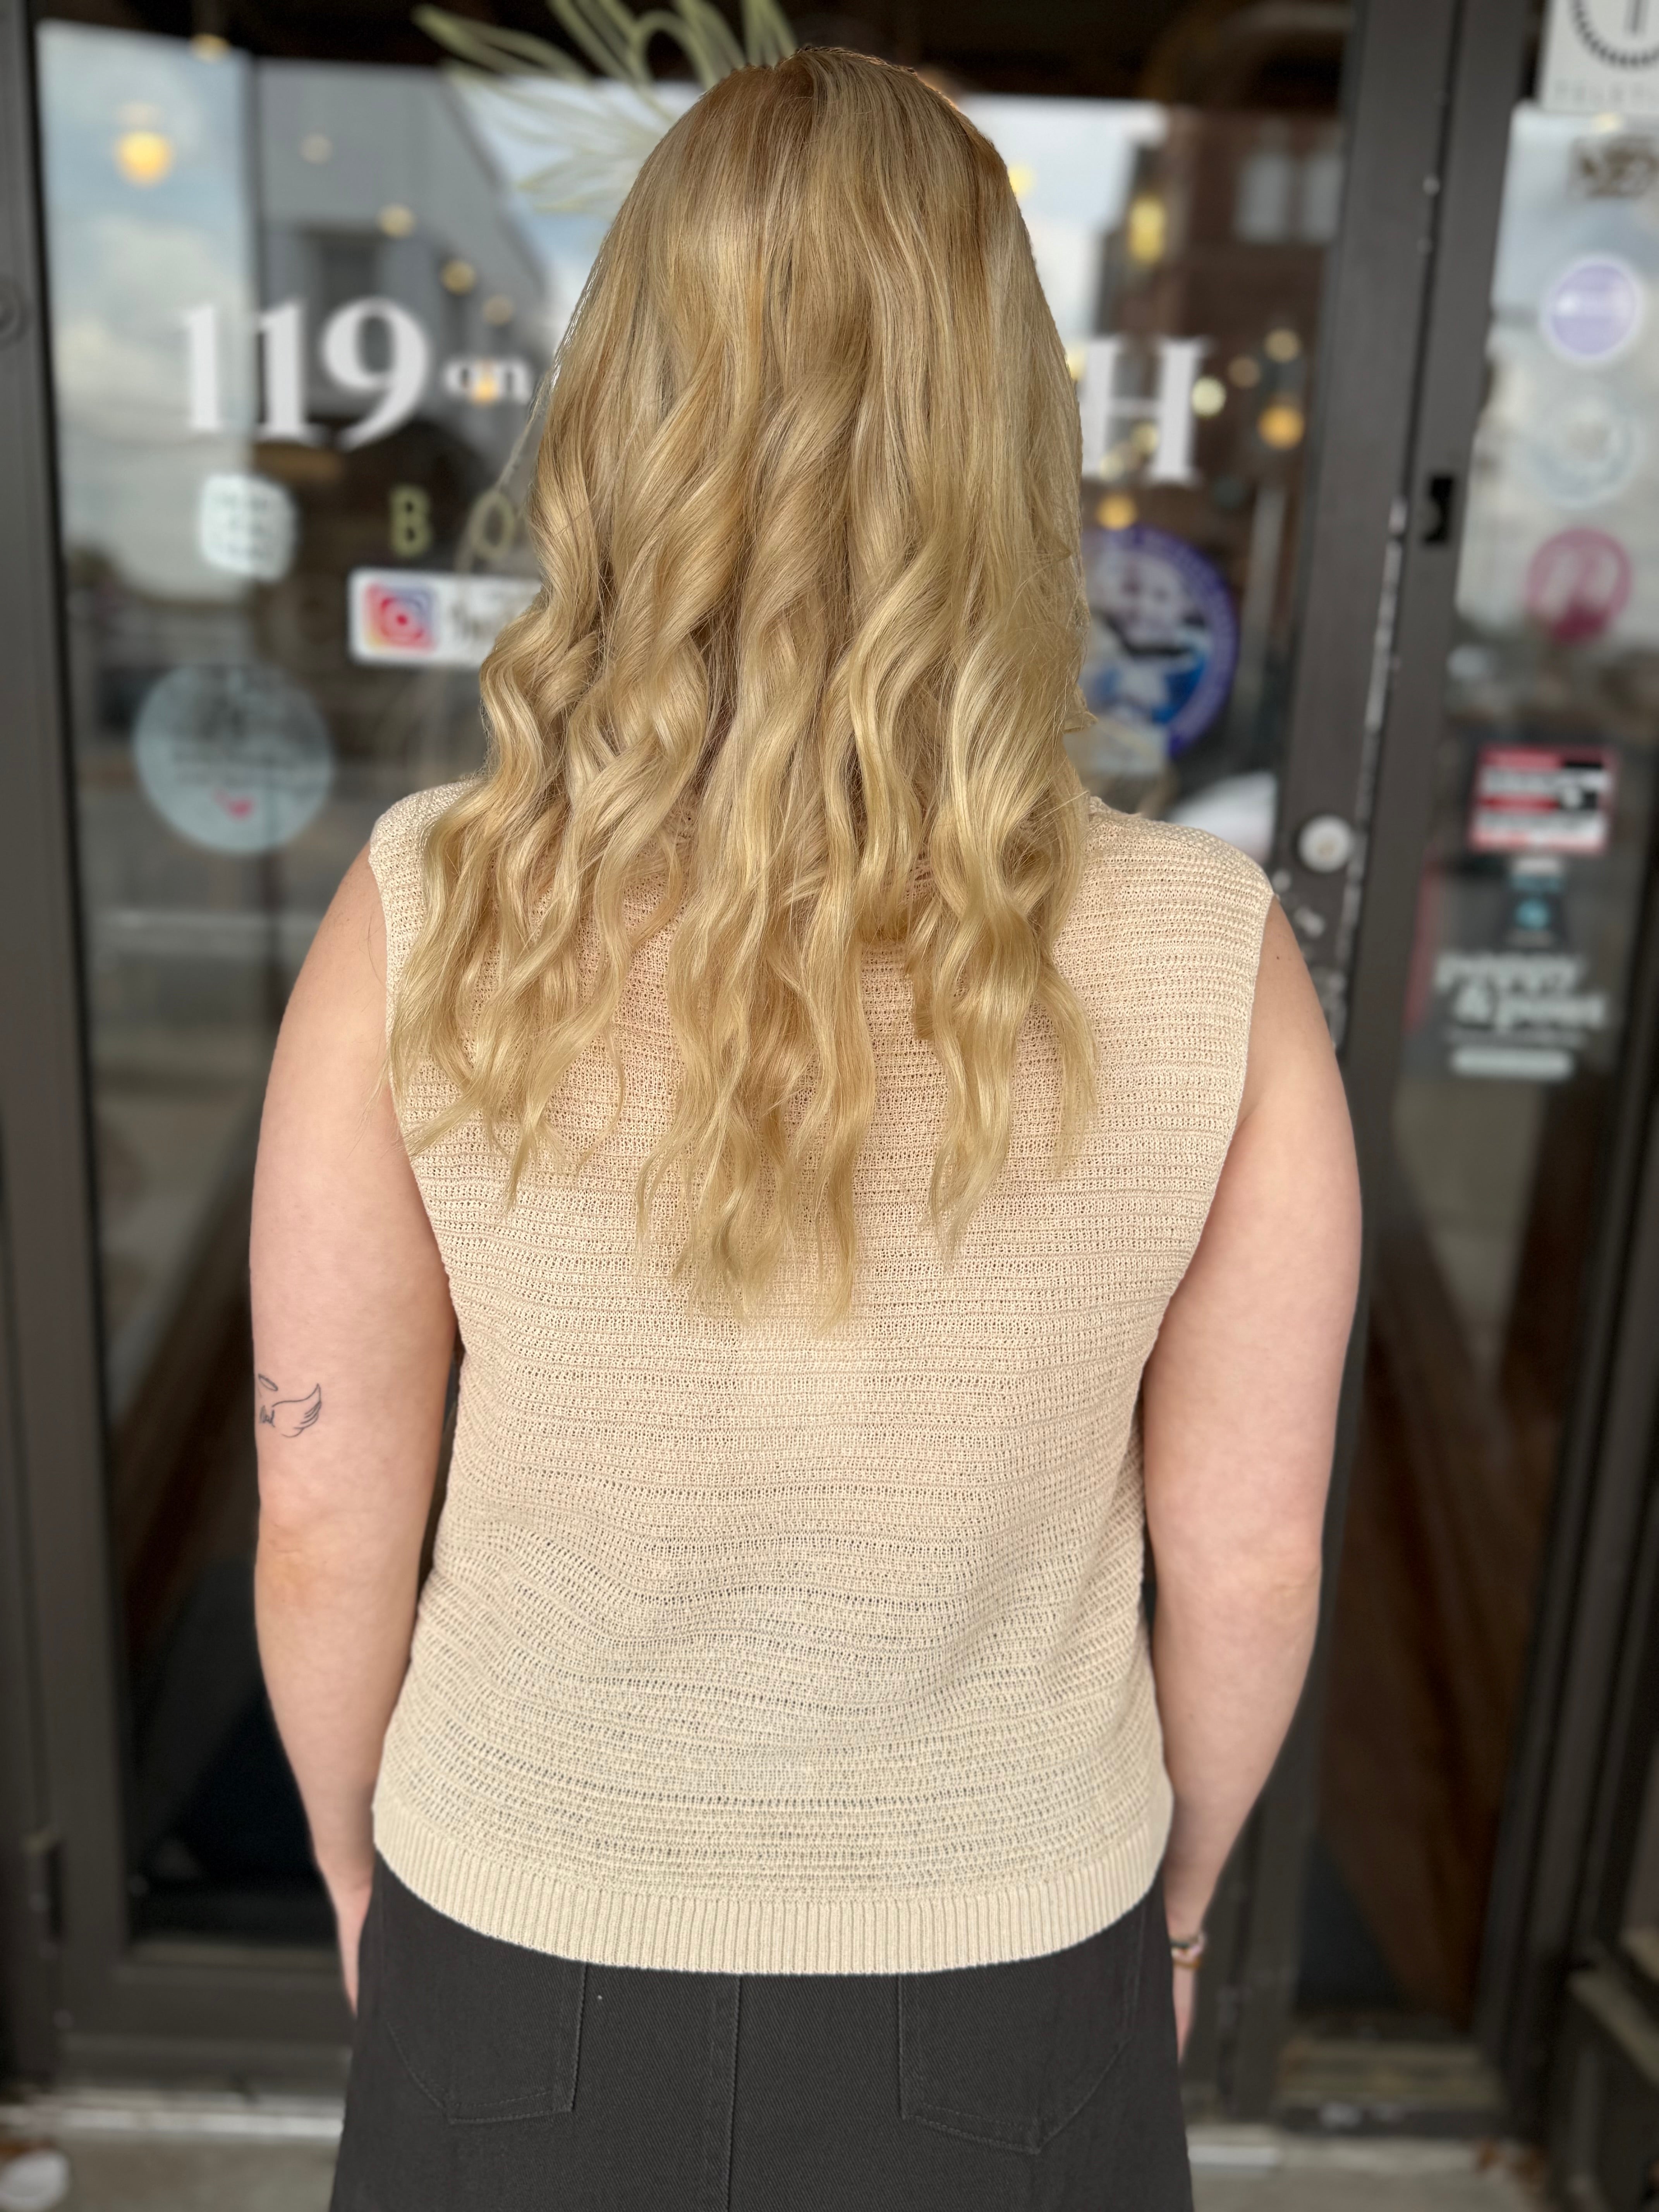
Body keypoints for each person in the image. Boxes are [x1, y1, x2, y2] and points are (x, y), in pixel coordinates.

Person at [250, 48, 1360, 2212]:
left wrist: (358, 1864)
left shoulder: (425, 912)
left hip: (519, 1929)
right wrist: (1177, 1911)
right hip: (1013, 1961)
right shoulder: (1211, 955)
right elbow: (1252, 1558)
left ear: (621, 417)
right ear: (1010, 441)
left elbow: (320, 1517)